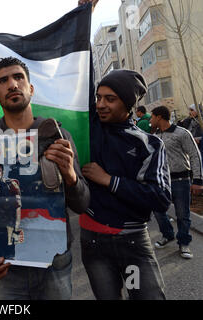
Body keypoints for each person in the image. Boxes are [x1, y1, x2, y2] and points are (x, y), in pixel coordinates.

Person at [0, 56, 90, 300]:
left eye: (18, 77)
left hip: (55, 262)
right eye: (3, 81)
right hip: (7, 265)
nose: (12, 84)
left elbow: (82, 204)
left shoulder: (58, 135)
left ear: (30, 88)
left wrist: (71, 176)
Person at [80, 69, 171, 300]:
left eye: (110, 99)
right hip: (94, 244)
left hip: (132, 246)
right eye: (99, 97)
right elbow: (82, 72)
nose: (101, 104)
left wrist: (109, 180)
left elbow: (160, 197)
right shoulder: (90, 128)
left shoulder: (149, 144)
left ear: (128, 104)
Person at [150, 106, 203, 259]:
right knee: (158, 211)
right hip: (160, 181)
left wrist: (198, 180)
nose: (150, 120)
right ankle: (167, 234)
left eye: (152, 117)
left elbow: (194, 155)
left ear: (159, 117)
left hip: (181, 180)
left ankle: (184, 243)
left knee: (182, 214)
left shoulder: (181, 133)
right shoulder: (154, 136)